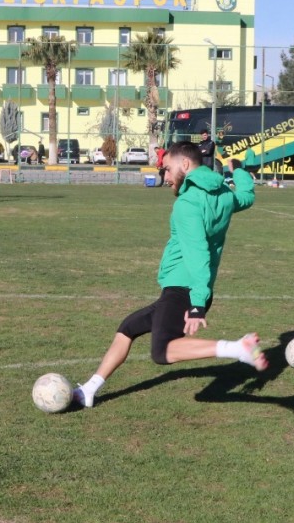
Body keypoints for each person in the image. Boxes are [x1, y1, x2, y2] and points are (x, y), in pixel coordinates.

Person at [73, 140, 265, 409]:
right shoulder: (223, 194)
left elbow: (198, 254)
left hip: (185, 290)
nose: (164, 177)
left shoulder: (186, 204)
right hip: (185, 288)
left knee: (162, 351)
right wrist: (240, 170)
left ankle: (237, 348)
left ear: (184, 165)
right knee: (128, 328)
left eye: (166, 169)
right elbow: (246, 196)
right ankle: (89, 390)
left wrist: (197, 304)